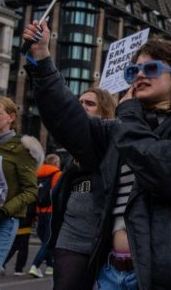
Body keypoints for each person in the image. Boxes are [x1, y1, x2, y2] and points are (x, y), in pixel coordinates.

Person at [23, 20, 171, 290]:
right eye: (133, 71)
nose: (139, 75)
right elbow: (68, 119)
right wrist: (42, 59)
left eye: (151, 68)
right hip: (111, 272)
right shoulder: (122, 127)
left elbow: (163, 170)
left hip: (159, 276)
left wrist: (127, 116)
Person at [49, 87, 115, 290]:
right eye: (80, 103)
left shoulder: (114, 147)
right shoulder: (72, 156)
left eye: (90, 104)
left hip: (103, 243)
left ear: (104, 112)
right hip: (70, 239)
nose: (82, 107)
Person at [0, 97, 42, 290]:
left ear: (11, 117)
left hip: (2, 224)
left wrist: (4, 212)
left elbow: (31, 191)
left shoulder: (22, 150)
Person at [27, 154, 62, 278]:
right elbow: (58, 194)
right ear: (56, 163)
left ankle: (50, 266)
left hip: (40, 210)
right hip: (51, 211)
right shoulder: (57, 174)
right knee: (48, 240)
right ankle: (35, 266)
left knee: (45, 238)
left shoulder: (37, 174)